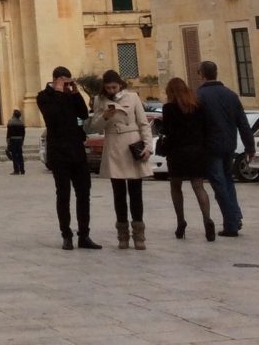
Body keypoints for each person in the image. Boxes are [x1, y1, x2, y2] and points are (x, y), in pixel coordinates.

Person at [36, 65, 101, 250]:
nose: (67, 84)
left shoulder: (71, 96)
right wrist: (58, 93)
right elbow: (52, 117)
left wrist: (75, 93)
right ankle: (66, 235)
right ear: (56, 79)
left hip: (77, 151)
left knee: (84, 194)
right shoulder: (44, 97)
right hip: (58, 153)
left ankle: (84, 235)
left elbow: (82, 113)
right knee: (63, 195)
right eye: (64, 81)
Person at [87, 69, 152, 249]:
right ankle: (122, 234)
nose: (111, 90)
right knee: (118, 193)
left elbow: (143, 123)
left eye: (114, 87)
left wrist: (148, 146)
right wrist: (106, 116)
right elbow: (95, 125)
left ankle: (139, 234)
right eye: (108, 87)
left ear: (120, 84)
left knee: (136, 191)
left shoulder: (132, 97)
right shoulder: (100, 100)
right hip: (114, 144)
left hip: (131, 144)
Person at [196, 60, 254, 237]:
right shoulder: (231, 95)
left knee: (219, 184)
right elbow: (243, 123)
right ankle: (235, 216)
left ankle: (231, 223)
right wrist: (250, 146)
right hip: (230, 144)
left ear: (202, 74)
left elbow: (198, 125)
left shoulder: (199, 96)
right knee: (228, 180)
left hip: (211, 146)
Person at [161, 76, 214, 241]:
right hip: (197, 150)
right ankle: (207, 219)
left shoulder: (169, 108)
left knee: (176, 186)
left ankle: (181, 221)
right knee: (199, 186)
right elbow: (206, 128)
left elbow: (169, 131)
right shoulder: (197, 106)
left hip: (177, 152)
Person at [6, 109, 26, 175]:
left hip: (13, 140)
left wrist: (8, 141)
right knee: (20, 155)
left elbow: (9, 133)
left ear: (14, 115)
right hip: (19, 140)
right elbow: (23, 133)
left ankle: (16, 170)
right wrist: (22, 141)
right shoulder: (22, 123)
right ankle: (22, 170)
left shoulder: (10, 122)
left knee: (14, 155)